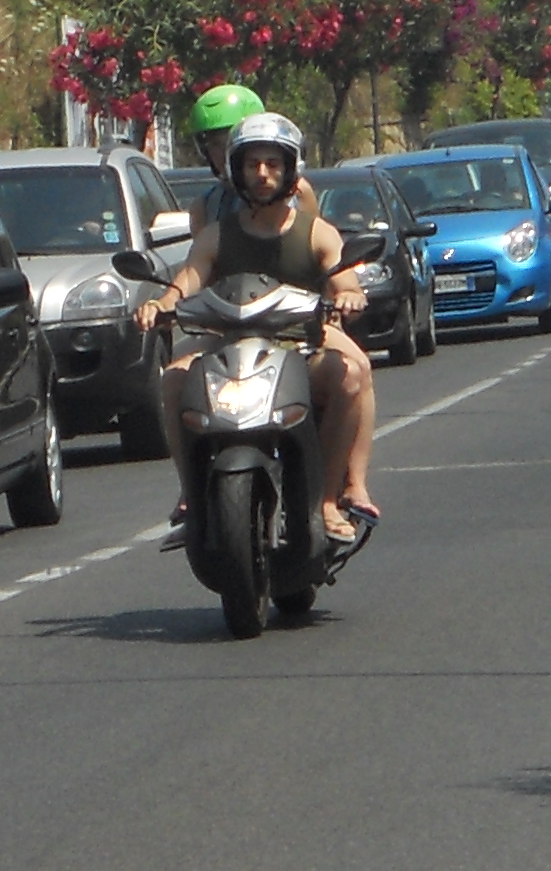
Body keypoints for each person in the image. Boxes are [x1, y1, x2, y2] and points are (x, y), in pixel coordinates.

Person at [135, 111, 378, 546]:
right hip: (228, 338)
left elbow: (344, 278)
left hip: (303, 340)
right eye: (252, 165)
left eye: (272, 164)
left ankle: (331, 496)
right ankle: (191, 496)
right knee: (173, 379)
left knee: (353, 374)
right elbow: (187, 278)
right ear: (237, 171)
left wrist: (348, 294)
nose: (262, 174)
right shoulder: (216, 234)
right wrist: (162, 303)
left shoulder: (317, 232)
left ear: (290, 169)